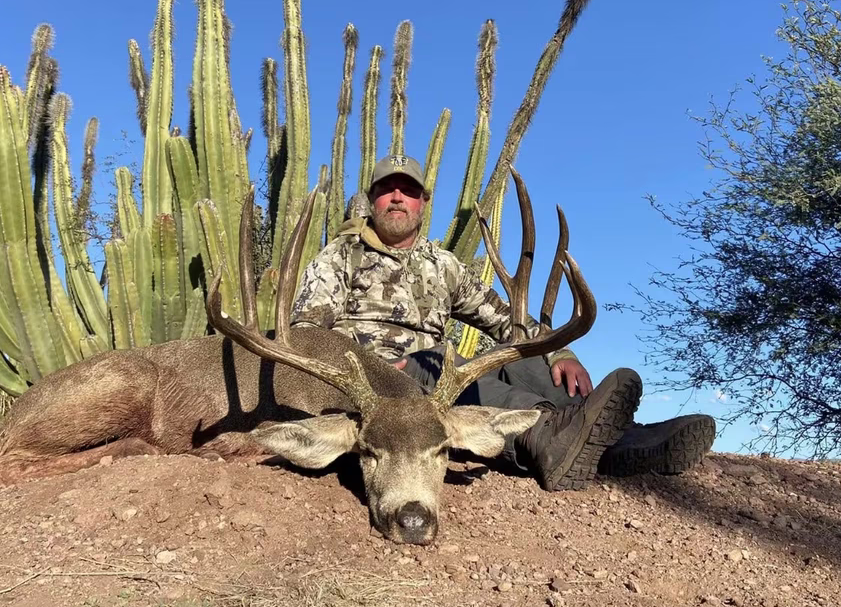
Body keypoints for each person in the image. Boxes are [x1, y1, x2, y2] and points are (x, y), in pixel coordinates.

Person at [288, 154, 716, 489]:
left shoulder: (444, 265)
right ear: (373, 199)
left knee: (517, 355)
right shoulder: (340, 258)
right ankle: (542, 436)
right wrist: (374, 372)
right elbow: (306, 339)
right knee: (441, 362)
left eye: (408, 190)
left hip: (436, 377)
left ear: (423, 202)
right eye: (386, 190)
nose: (397, 197)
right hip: (380, 390)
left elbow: (506, 321)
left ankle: (622, 441)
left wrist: (558, 353)